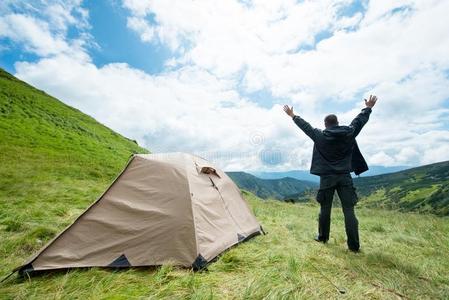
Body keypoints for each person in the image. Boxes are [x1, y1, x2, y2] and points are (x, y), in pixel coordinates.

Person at [283, 95, 377, 252]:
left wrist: (292, 115)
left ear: (325, 125)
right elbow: (359, 121)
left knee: (325, 209)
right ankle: (354, 246)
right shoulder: (349, 132)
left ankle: (323, 237)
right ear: (338, 123)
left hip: (327, 178)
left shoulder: (320, 135)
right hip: (345, 177)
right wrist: (368, 108)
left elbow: (306, 127)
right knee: (349, 211)